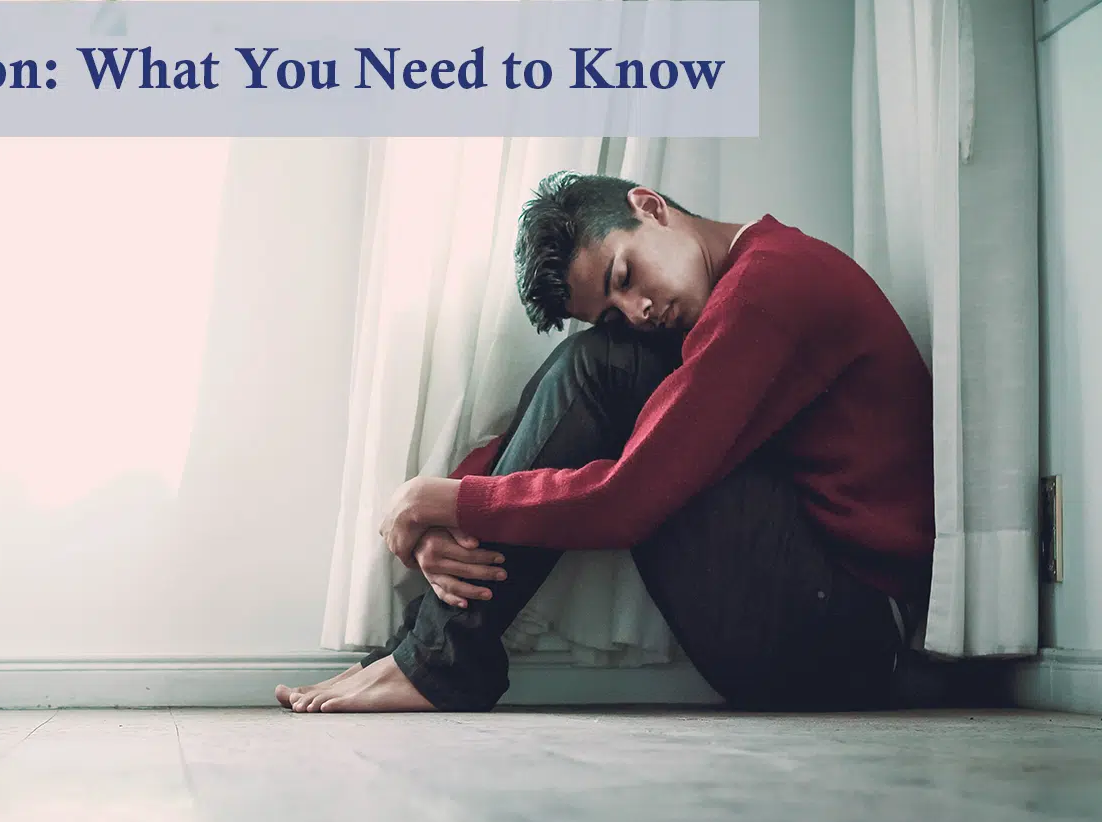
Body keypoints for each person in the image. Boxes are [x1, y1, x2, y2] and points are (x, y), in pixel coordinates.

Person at [275, 172, 935, 714]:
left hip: (849, 641)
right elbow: (559, 422)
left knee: (603, 366)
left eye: (625, 275)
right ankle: (430, 654)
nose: (640, 310)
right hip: (816, 614)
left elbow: (630, 499)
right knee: (601, 358)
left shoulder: (769, 290)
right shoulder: (733, 294)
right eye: (615, 306)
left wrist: (446, 502)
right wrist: (444, 509)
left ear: (650, 207)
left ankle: (438, 662)